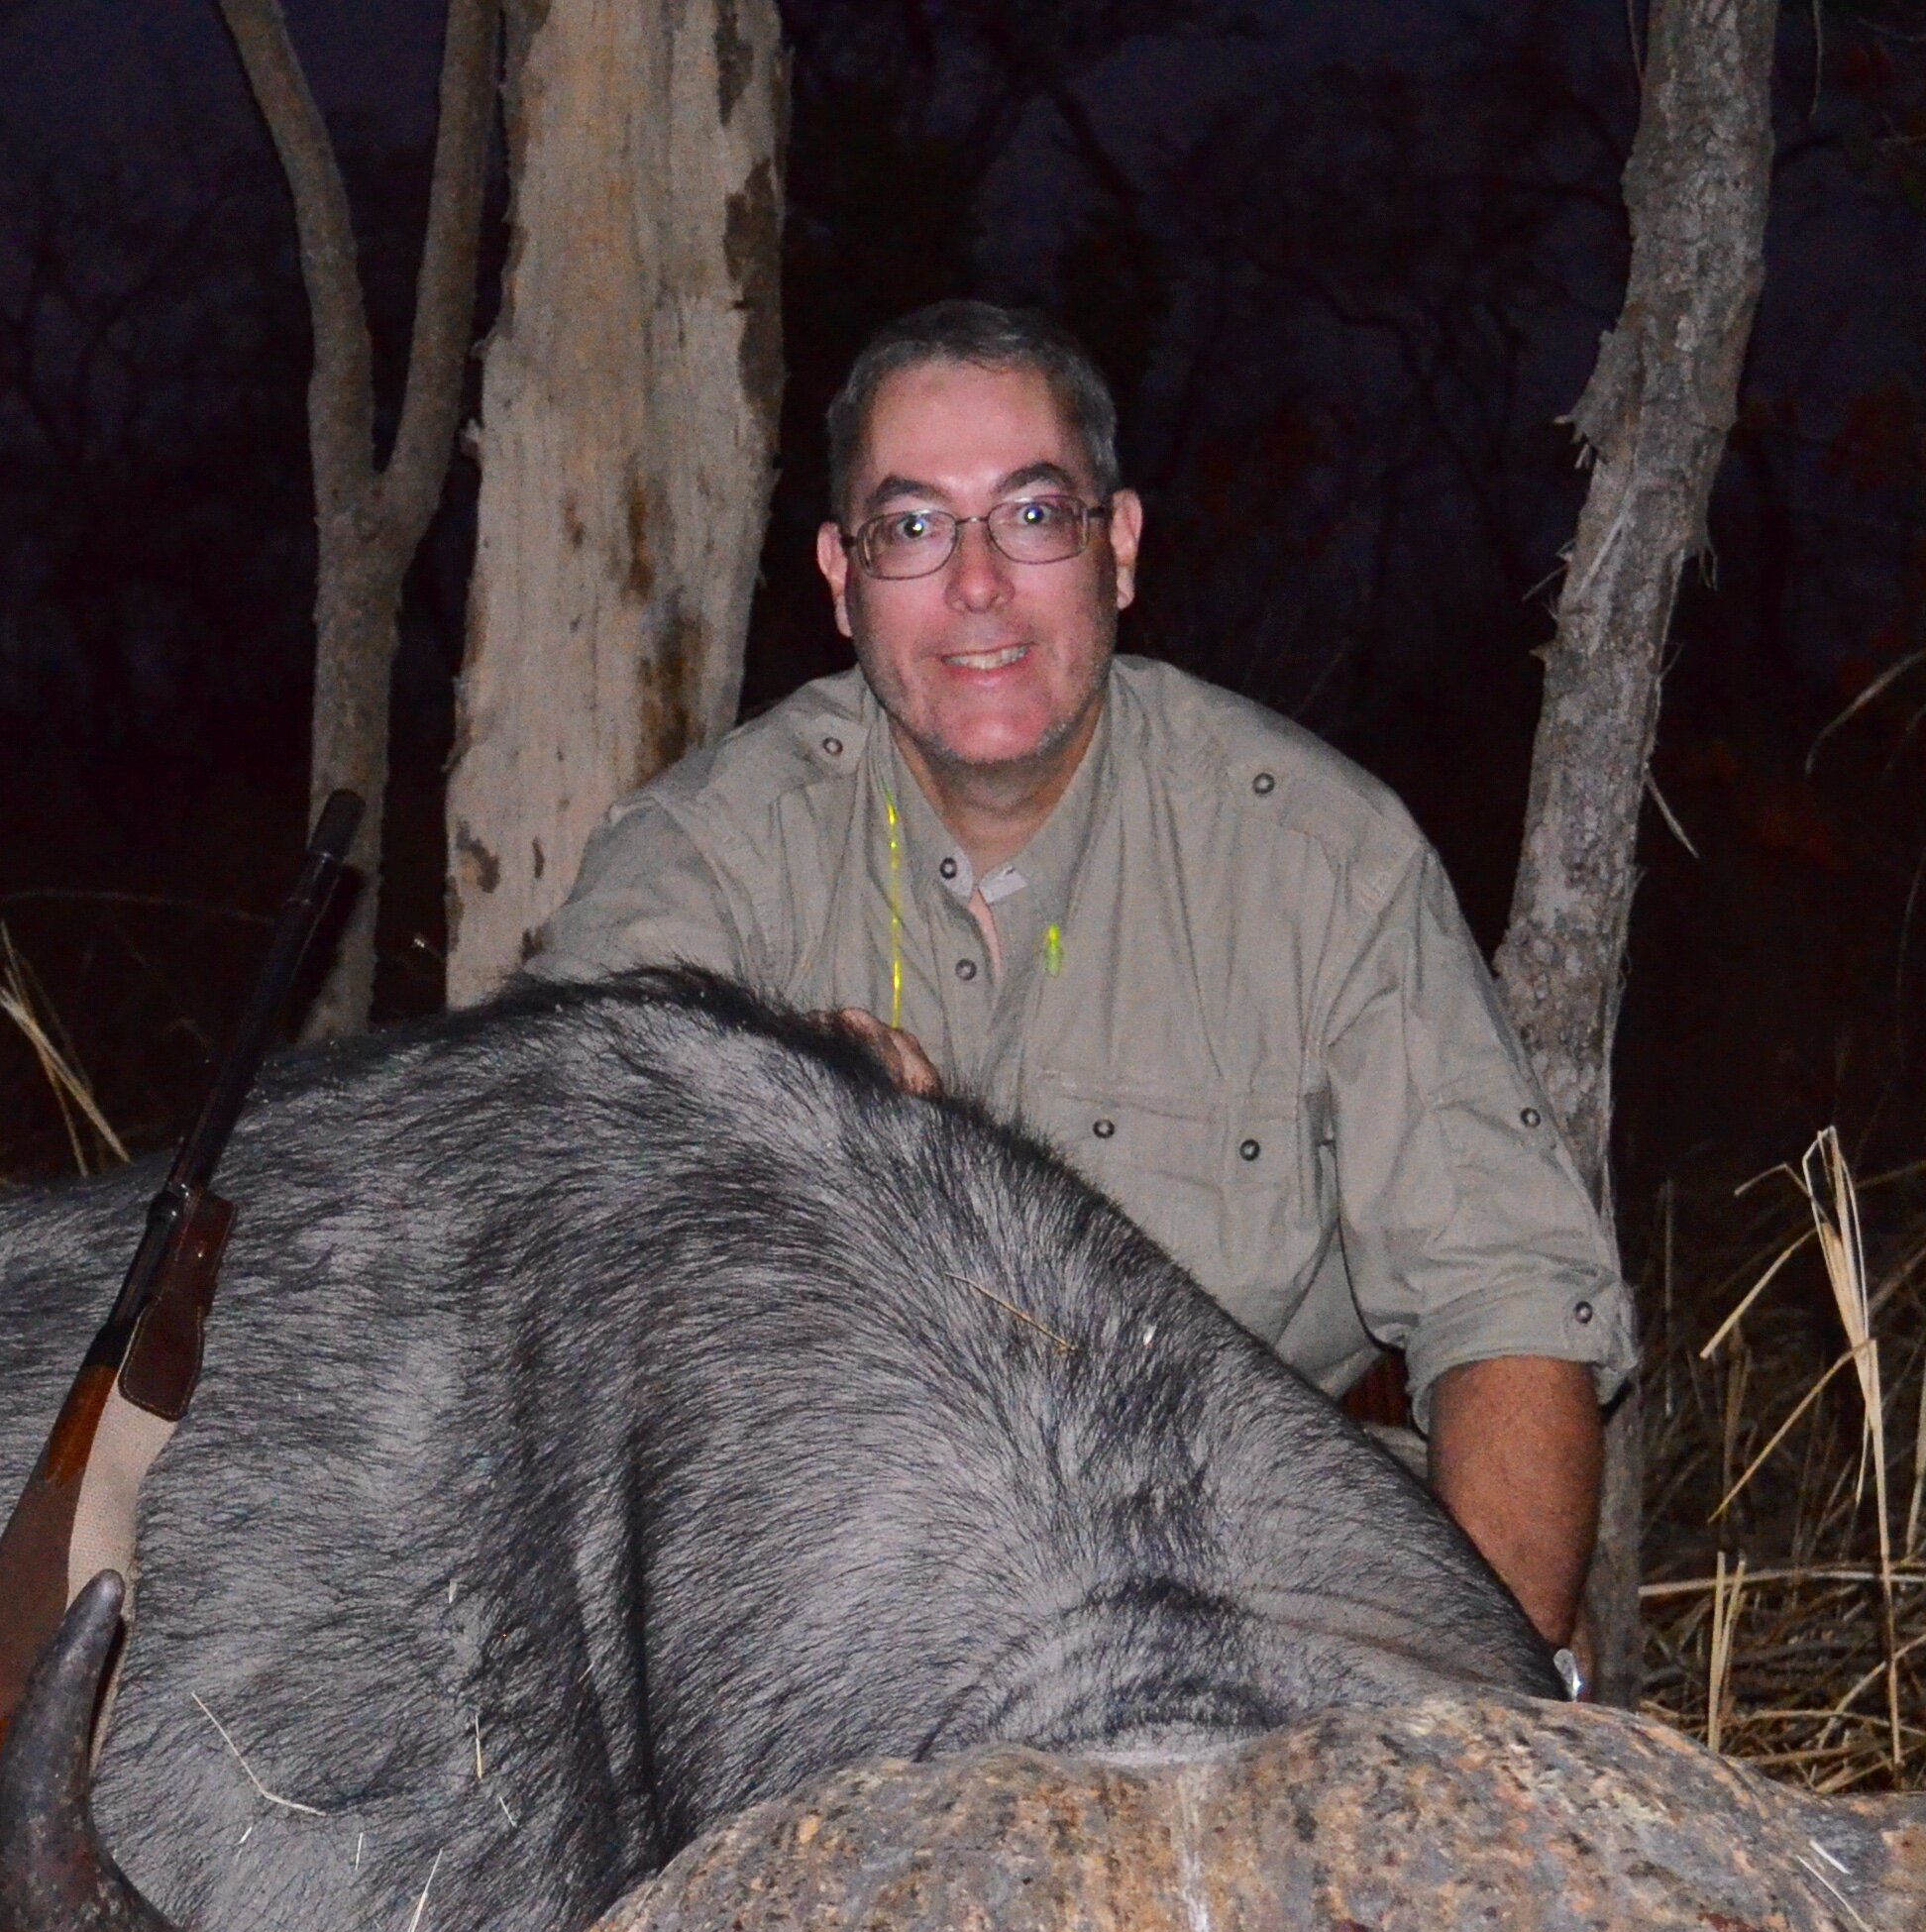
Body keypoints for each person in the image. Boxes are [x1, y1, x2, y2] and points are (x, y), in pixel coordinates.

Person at [529, 300, 1635, 1653]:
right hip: (820, 1613)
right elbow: (538, 1232)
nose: (977, 584)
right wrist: (770, 1118)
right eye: (914, 527)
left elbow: (1508, 1305)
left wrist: (1487, 1701)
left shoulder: (1321, 856)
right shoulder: (699, 856)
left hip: (1241, 1589)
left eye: (1032, 516)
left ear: (1117, 549)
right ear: (840, 578)